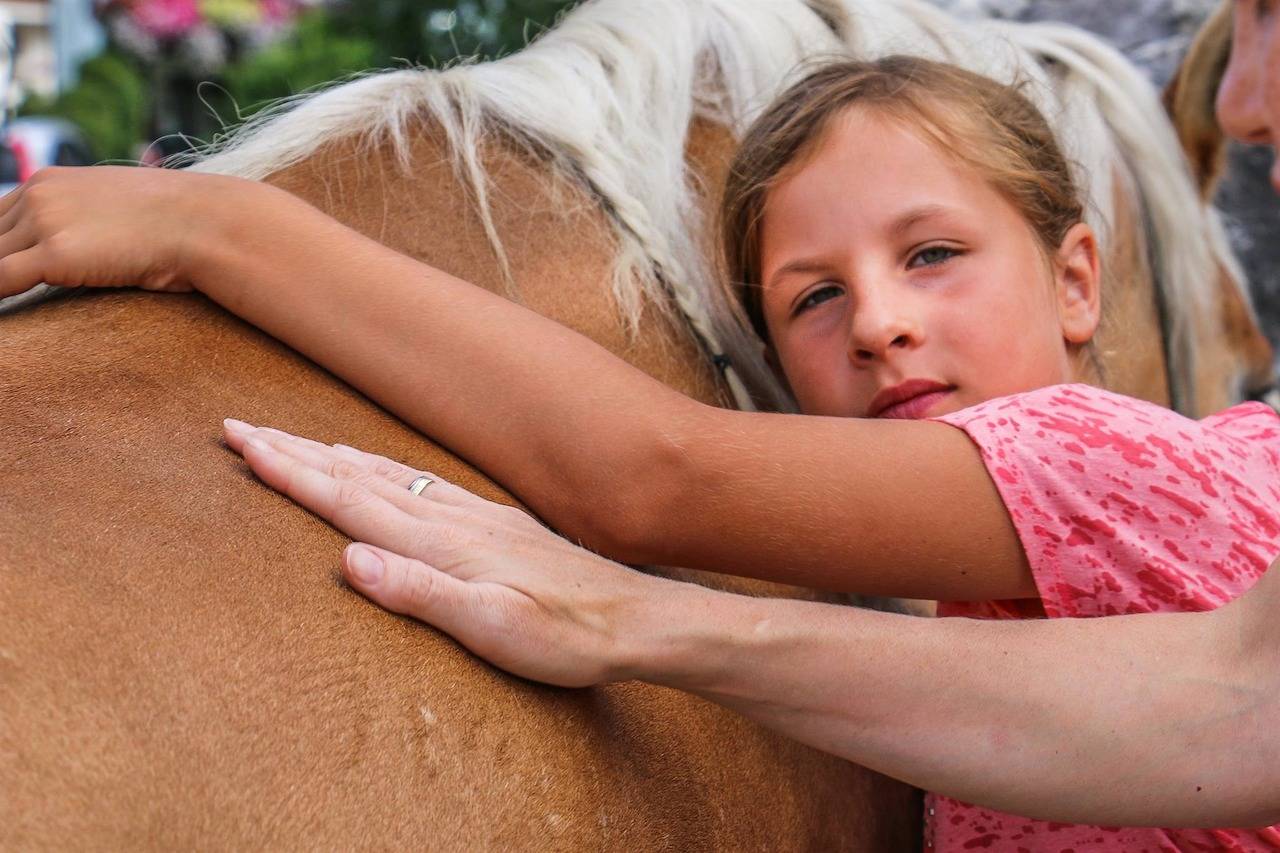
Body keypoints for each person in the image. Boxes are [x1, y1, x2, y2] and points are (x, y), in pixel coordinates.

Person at [2, 52, 1277, 847]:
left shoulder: (1101, 457)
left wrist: (208, 228)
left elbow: (655, 474)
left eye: (931, 255)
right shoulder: (990, 594)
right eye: (810, 299)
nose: (881, 322)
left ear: (1075, 281)